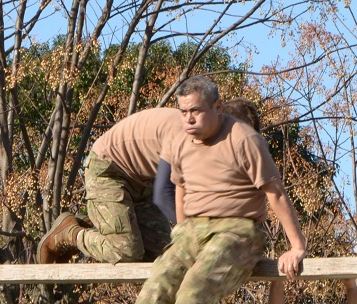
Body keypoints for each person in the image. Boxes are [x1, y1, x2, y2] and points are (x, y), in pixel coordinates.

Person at [80, 75, 308, 304]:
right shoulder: (181, 139)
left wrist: (296, 246)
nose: (188, 118)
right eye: (184, 111)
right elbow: (178, 188)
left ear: (217, 108)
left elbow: (276, 193)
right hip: (194, 228)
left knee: (194, 284)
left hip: (237, 230)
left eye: (196, 111)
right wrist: (182, 232)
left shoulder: (244, 139)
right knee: (162, 277)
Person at [38, 99, 262, 263]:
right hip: (109, 169)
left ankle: (100, 223)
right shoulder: (188, 135)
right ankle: (69, 233)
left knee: (162, 256)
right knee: (126, 250)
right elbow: (165, 195)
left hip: (143, 182)